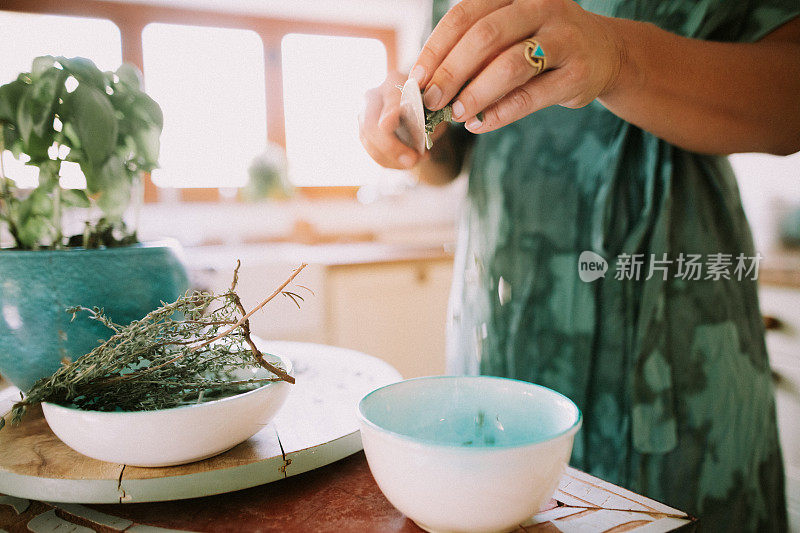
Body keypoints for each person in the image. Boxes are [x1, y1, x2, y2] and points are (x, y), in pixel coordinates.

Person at [359, 0, 800, 530]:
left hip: (672, 333)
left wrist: (618, 57)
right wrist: (411, 128)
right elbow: (449, 160)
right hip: (505, 316)